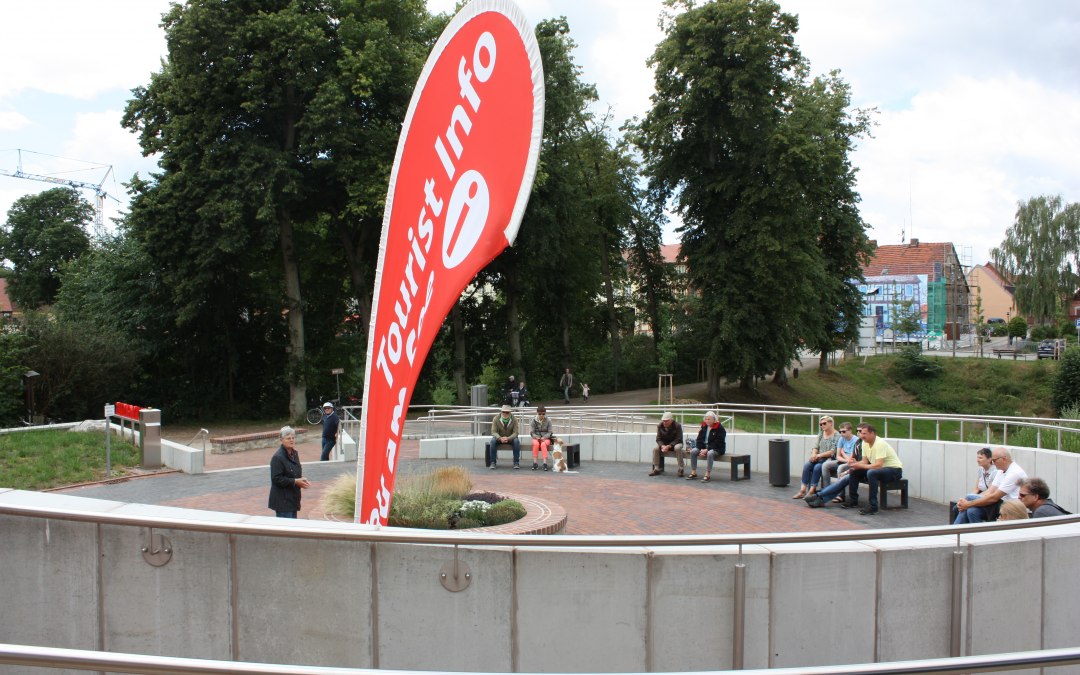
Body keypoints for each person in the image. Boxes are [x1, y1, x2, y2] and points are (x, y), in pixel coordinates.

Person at [806, 423, 901, 515]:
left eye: (864, 433)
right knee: (855, 472)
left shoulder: (879, 443)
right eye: (860, 432)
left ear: (872, 433)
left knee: (871, 473)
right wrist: (854, 464)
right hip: (877, 469)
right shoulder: (864, 443)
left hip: (893, 470)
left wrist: (857, 466)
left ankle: (873, 506)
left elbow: (878, 465)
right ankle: (851, 500)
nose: (862, 435)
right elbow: (864, 461)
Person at [953, 448, 1027, 524]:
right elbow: (989, 491)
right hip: (1000, 503)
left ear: (1004, 459)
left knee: (968, 498)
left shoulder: (1014, 473)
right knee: (972, 511)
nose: (993, 463)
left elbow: (994, 498)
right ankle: (978, 534)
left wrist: (968, 503)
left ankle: (954, 531)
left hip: (1012, 507)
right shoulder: (1001, 470)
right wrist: (967, 504)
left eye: (994, 460)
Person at [792, 416, 840, 500]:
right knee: (807, 465)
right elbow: (815, 447)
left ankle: (811, 491)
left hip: (829, 459)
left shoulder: (837, 435)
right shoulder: (821, 434)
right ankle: (802, 490)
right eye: (820, 424)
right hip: (818, 457)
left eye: (824, 423)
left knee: (817, 468)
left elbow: (832, 451)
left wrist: (818, 455)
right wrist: (814, 455)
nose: (822, 426)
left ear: (831, 423)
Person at [268, 426, 311, 518]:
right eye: (288, 438)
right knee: (286, 530)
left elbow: (294, 472)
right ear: (281, 440)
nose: (291, 440)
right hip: (283, 502)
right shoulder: (277, 458)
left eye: (293, 438)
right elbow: (276, 479)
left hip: (292, 500)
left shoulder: (294, 454)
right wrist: (295, 481)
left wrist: (301, 480)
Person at [948, 447, 998, 523]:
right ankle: (956, 530)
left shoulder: (995, 472)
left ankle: (954, 531)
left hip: (988, 499)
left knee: (966, 502)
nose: (978, 460)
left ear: (989, 459)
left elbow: (990, 492)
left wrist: (968, 500)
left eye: (981, 458)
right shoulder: (980, 470)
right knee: (958, 507)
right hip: (980, 495)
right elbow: (976, 489)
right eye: (977, 457)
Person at [822, 421, 858, 502]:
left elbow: (851, 459)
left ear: (850, 430)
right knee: (825, 465)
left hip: (852, 463)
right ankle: (827, 490)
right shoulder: (841, 439)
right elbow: (838, 456)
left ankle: (840, 495)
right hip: (843, 460)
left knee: (841, 468)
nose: (842, 433)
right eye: (840, 432)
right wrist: (843, 455)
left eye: (844, 431)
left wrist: (843, 452)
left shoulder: (856, 440)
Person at [688, 410, 725, 482]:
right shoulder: (704, 426)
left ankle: (707, 474)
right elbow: (699, 438)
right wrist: (699, 448)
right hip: (704, 447)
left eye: (709, 419)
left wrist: (707, 449)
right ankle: (693, 472)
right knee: (693, 451)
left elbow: (718, 442)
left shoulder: (720, 428)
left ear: (714, 420)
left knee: (710, 453)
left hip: (717, 448)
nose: (707, 421)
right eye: (706, 419)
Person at [648, 411, 685, 477]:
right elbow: (658, 439)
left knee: (677, 448)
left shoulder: (677, 426)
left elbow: (678, 438)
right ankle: (656, 468)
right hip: (664, 444)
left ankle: (681, 468)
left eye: (666, 421)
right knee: (655, 449)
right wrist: (662, 446)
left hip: (676, 443)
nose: (664, 422)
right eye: (663, 421)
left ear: (671, 420)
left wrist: (669, 446)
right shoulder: (660, 426)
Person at [488, 404, 520, 470]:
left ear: (510, 412)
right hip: (499, 438)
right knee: (492, 441)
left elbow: (516, 433)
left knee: (516, 441)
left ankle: (516, 462)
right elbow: (493, 432)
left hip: (510, 438)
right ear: (501, 412)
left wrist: (508, 438)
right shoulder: (496, 418)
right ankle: (493, 462)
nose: (505, 413)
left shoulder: (514, 419)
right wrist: (500, 438)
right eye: (504, 412)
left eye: (507, 412)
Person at [530, 405, 554, 470]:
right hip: (536, 437)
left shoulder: (548, 420)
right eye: (539, 414)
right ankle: (535, 463)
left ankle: (545, 463)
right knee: (536, 444)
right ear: (537, 413)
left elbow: (550, 432)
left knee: (543, 445)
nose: (541, 415)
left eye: (543, 414)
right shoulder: (533, 420)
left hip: (546, 438)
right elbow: (532, 432)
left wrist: (544, 437)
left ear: (545, 413)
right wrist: (536, 437)